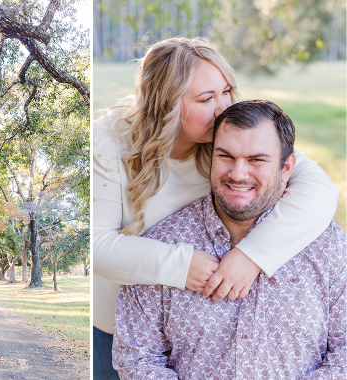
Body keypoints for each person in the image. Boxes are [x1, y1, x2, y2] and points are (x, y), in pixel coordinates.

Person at [92, 37, 338, 378]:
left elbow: (320, 191)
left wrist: (252, 257)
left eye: (226, 91)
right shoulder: (109, 141)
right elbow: (96, 246)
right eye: (207, 98)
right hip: (117, 326)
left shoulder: (227, 138)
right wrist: (183, 264)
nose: (224, 108)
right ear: (168, 104)